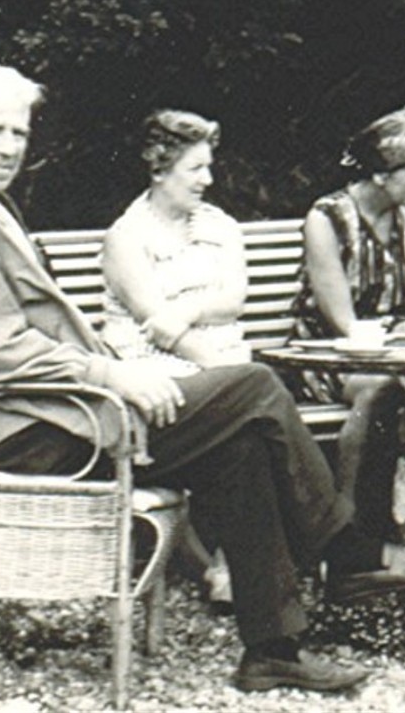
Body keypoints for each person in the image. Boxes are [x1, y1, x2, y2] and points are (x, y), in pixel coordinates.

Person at [0, 64, 405, 694]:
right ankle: (345, 552)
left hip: (54, 415)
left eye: (18, 132)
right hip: (30, 436)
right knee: (255, 387)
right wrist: (113, 373)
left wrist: (113, 376)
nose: (8, 147)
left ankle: (273, 650)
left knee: (243, 445)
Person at [101, 108, 253, 606]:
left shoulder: (220, 226)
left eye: (209, 167)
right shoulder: (126, 237)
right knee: (246, 415)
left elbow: (233, 298)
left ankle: (231, 562)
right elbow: (156, 326)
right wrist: (224, 370)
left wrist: (188, 307)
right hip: (158, 375)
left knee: (250, 418)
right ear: (160, 168)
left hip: (219, 363)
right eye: (196, 169)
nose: (207, 180)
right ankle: (218, 564)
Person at [289, 105, 405, 532]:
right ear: (381, 175)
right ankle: (347, 511)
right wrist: (403, 351)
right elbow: (342, 320)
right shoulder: (326, 219)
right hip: (336, 354)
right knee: (379, 388)